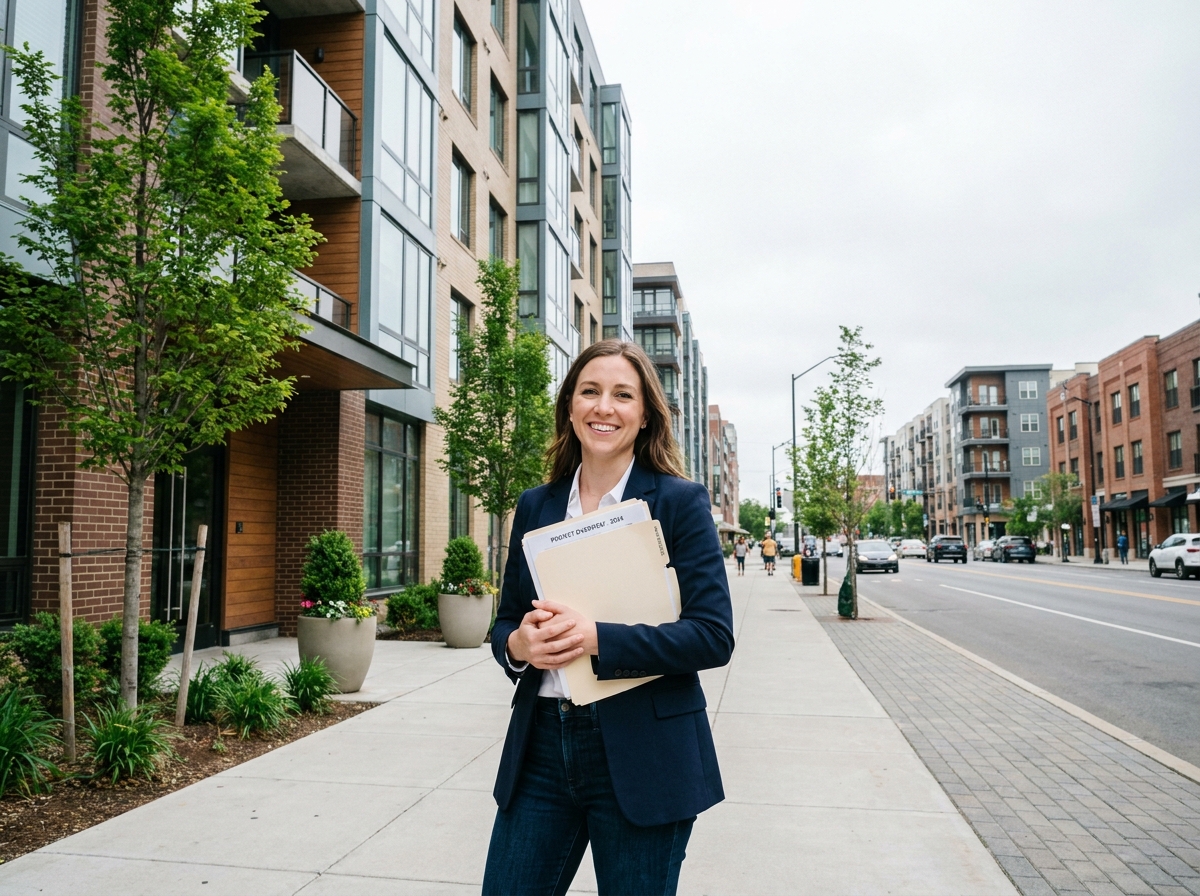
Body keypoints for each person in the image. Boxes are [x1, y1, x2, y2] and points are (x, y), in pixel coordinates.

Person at [483, 340, 735, 896]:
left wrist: (596, 637)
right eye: (590, 391)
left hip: (645, 750)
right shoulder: (536, 505)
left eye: (623, 395)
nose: (604, 407)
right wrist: (520, 647)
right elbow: (504, 623)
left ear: (644, 415)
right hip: (542, 750)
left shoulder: (679, 502)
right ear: (570, 406)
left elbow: (713, 636)